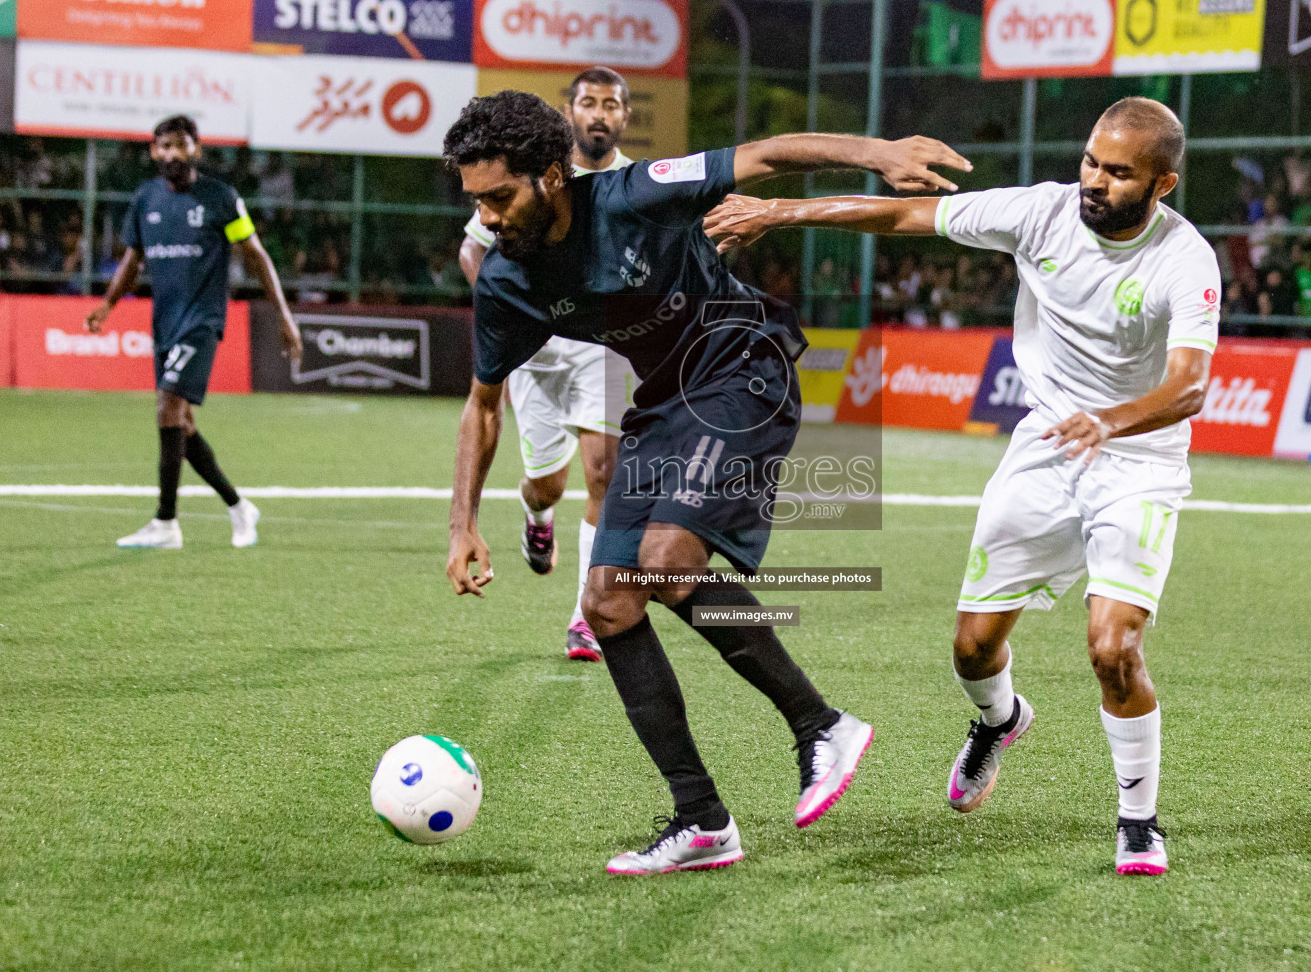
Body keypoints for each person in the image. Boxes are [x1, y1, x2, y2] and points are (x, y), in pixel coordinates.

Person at [442, 89, 969, 874]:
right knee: (609, 601)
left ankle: (818, 725)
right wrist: (462, 524)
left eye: (498, 195)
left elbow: (763, 154)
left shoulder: (633, 194)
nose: (485, 216)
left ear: (552, 176)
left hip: (740, 366)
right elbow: (483, 406)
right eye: (475, 200)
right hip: (663, 406)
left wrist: (880, 151)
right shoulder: (507, 281)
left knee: (665, 557)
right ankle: (701, 820)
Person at [706, 96, 1222, 877]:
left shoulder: (1184, 260)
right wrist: (780, 210)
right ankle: (999, 721)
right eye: (1090, 160)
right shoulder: (1039, 214)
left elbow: (1188, 389)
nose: (1094, 181)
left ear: (1163, 185)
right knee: (974, 649)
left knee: (1113, 647)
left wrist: (1110, 423)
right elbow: (900, 218)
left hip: (1139, 463)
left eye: (1118, 173)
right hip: (1046, 452)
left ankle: (1139, 820)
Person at [456, 67, 643, 664]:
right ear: (570, 112)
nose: (598, 113)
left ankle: (586, 612)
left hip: (600, 346)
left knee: (603, 473)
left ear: (623, 118)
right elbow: (472, 247)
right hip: (537, 352)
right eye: (588, 102)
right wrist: (507, 308)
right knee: (549, 481)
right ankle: (537, 514)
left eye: (610, 104)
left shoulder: (634, 185)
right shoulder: (524, 177)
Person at [87, 115, 301, 550]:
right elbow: (133, 260)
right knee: (181, 424)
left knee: (167, 408)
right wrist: (108, 304)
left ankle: (166, 523)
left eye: (179, 146)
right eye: (162, 146)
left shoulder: (221, 198)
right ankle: (239, 506)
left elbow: (256, 255)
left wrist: (284, 315)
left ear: (196, 150)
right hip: (164, 324)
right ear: (152, 152)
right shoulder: (145, 198)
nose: (170, 154)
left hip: (202, 321)